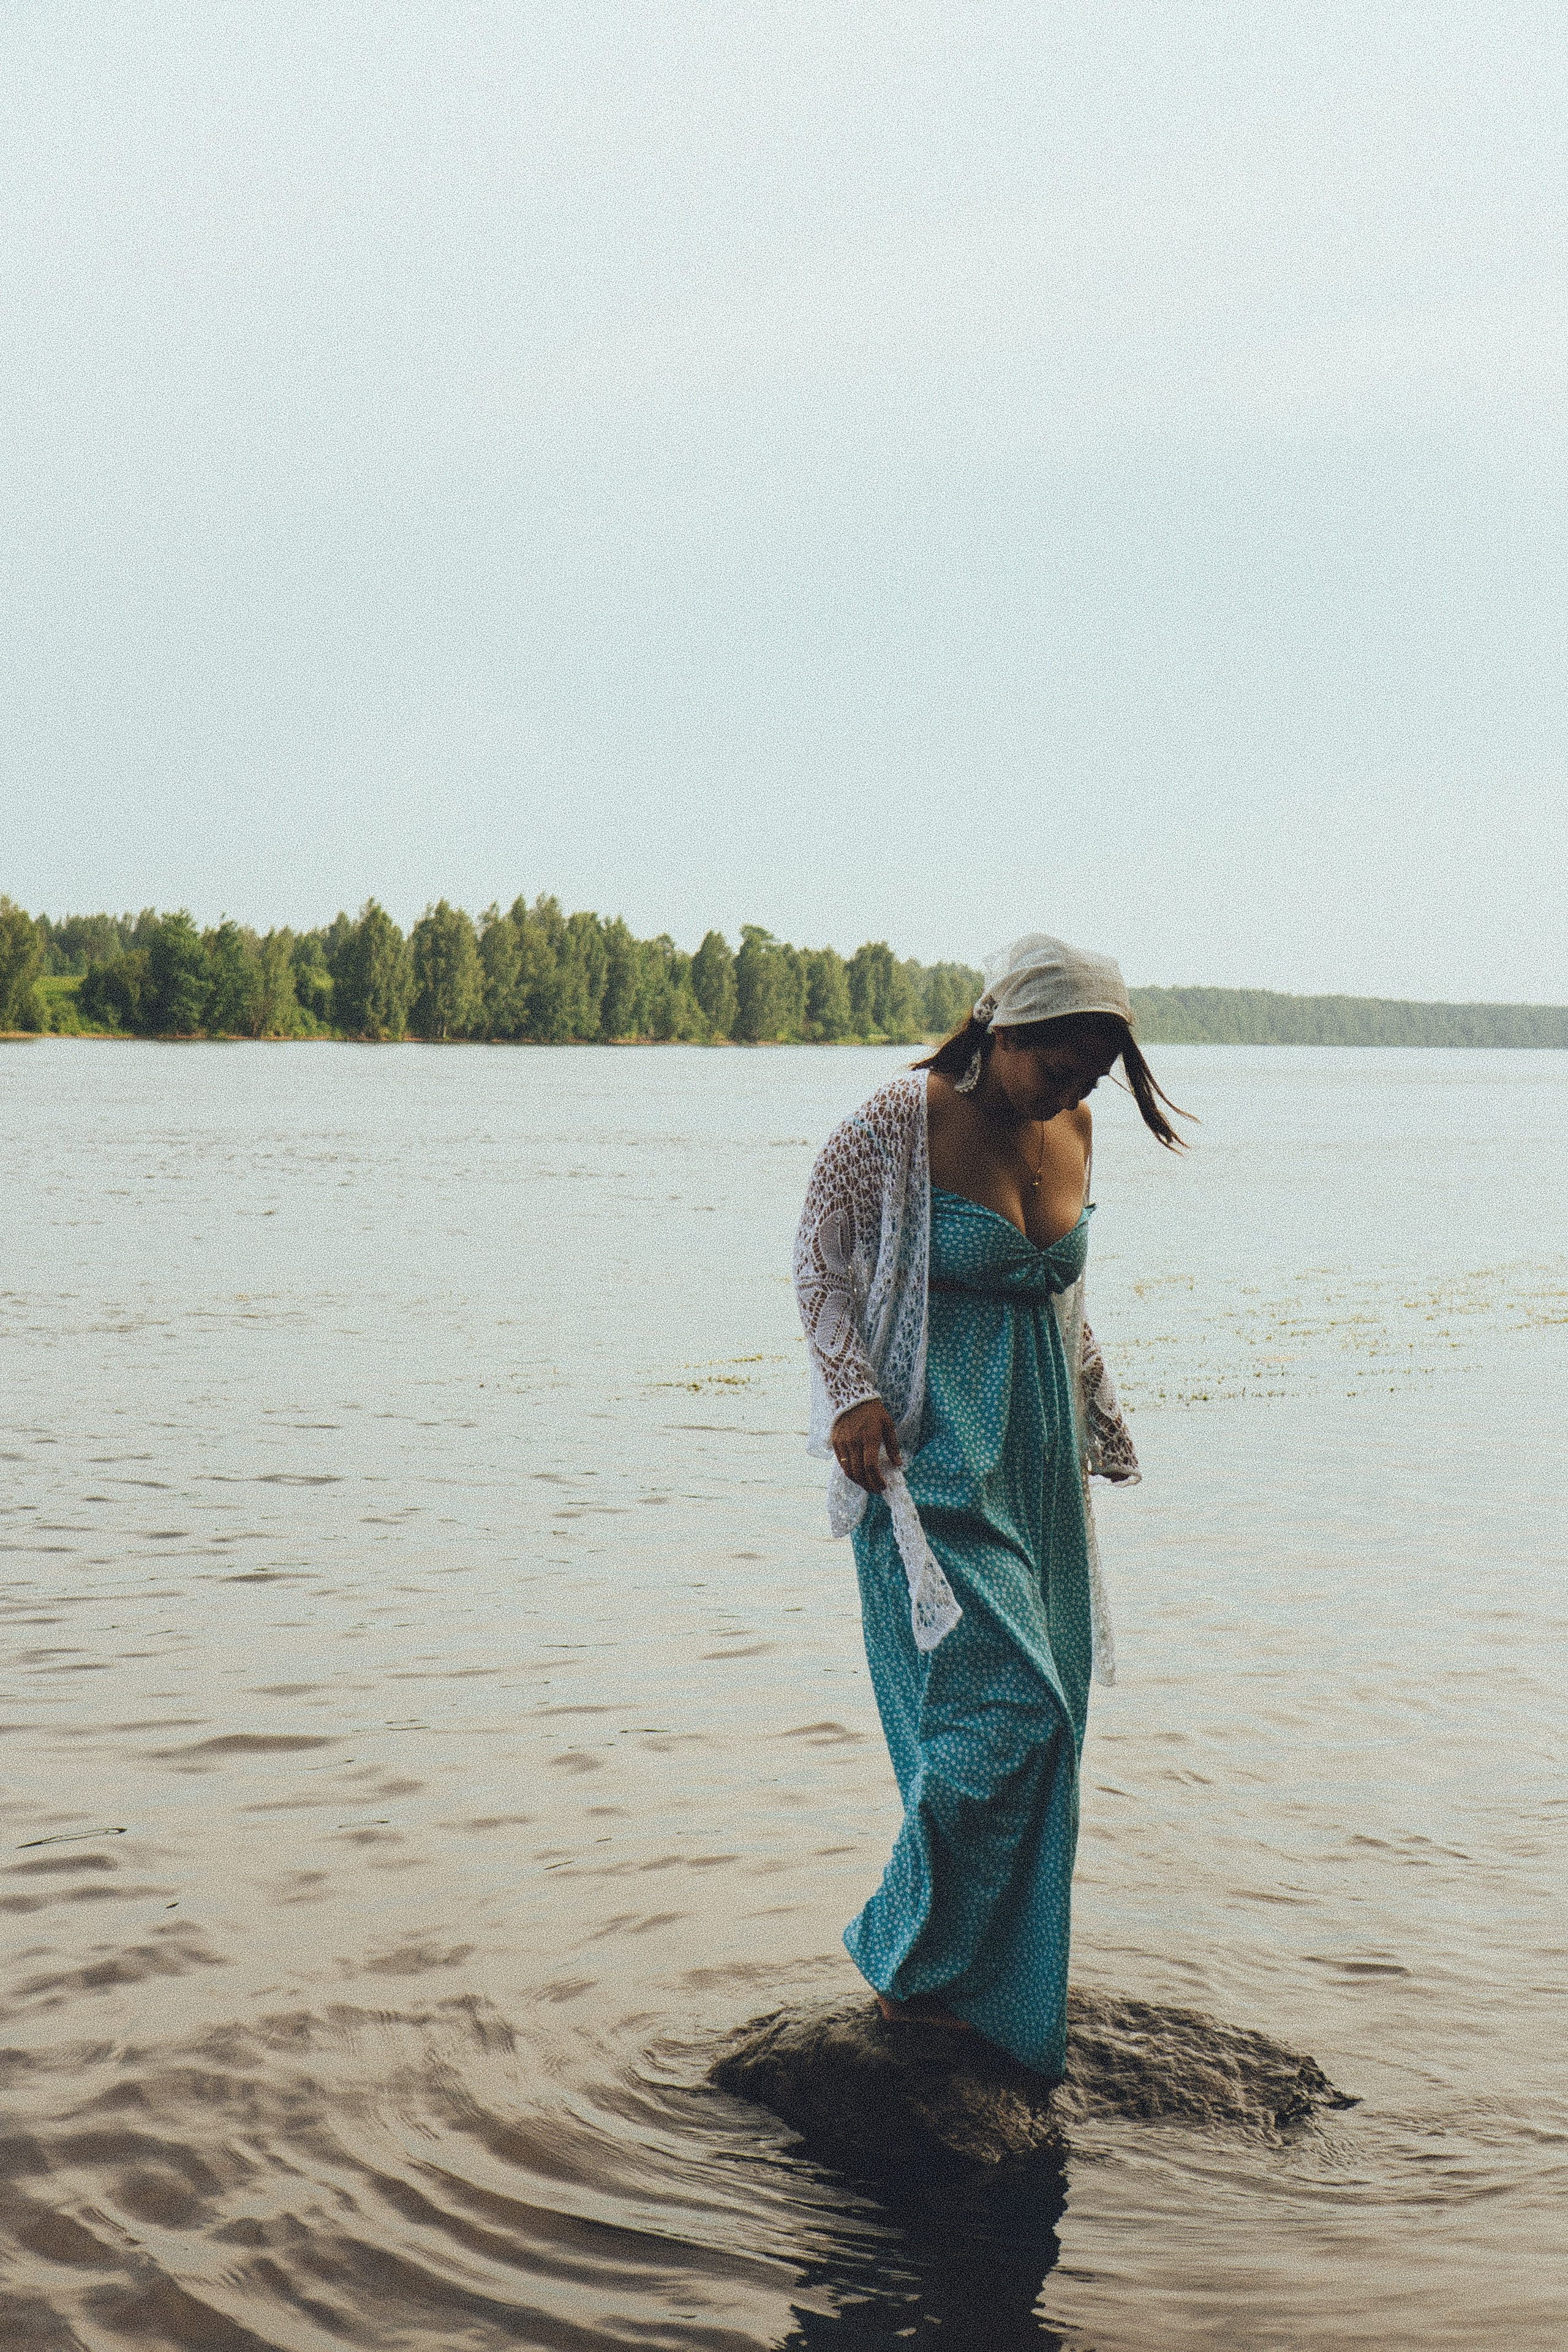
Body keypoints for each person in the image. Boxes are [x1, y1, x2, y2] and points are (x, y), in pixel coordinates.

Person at [792, 933, 1186, 2079]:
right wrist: (854, 1394)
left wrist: (1104, 1423)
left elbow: (1064, 1295)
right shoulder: (893, 1124)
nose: (1071, 1092)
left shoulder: (1075, 1128)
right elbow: (819, 1261)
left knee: (1051, 1725)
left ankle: (973, 1986)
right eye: (1057, 1067)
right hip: (931, 1465)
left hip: (1038, 1468)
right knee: (1007, 1719)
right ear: (1003, 1031)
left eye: (1091, 1077)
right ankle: (908, 1962)